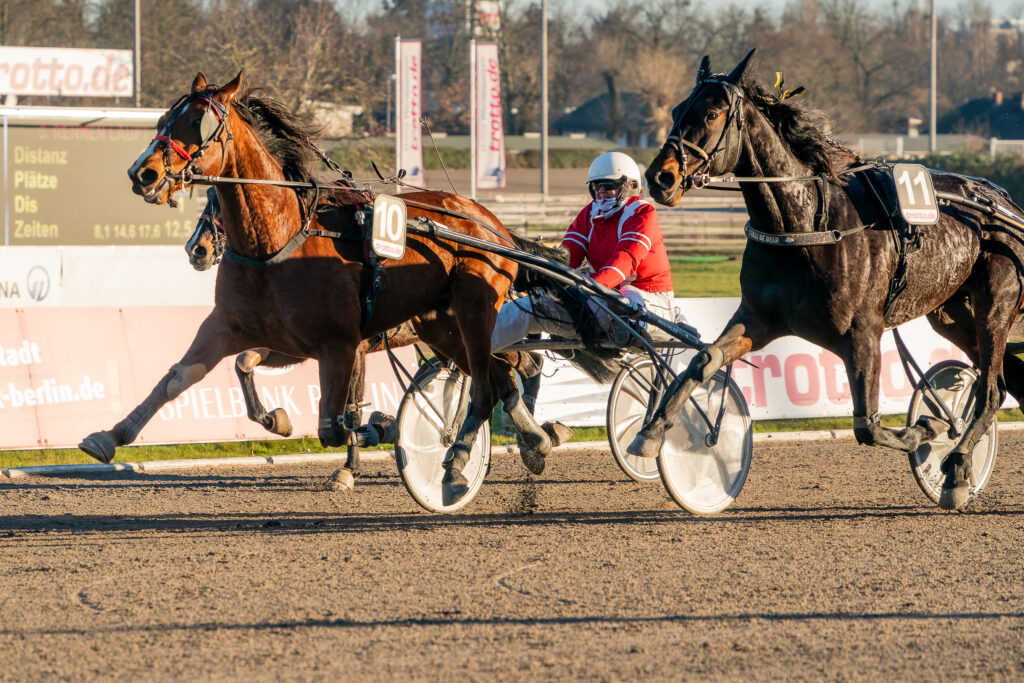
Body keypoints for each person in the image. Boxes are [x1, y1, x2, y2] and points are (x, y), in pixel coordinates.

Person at [490, 151, 676, 353]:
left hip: (650, 301)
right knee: (529, 307)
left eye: (609, 185)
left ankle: (624, 332)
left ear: (630, 186)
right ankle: (469, 345)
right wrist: (538, 274)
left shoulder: (641, 213)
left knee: (626, 297)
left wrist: (584, 288)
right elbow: (567, 257)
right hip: (598, 298)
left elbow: (623, 262)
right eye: (597, 186)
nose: (601, 191)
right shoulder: (589, 213)